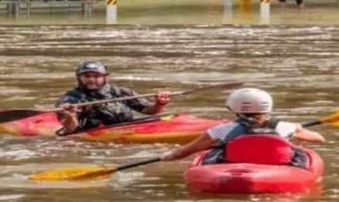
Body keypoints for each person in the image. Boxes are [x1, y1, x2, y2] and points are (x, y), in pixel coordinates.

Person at [161, 88, 324, 165]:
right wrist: (295, 129)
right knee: (296, 151)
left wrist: (168, 156)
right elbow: (319, 140)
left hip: (234, 166)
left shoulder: (220, 131)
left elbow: (185, 151)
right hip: (277, 164)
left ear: (234, 107)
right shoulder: (286, 126)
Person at [56, 61, 172, 135]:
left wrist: (159, 104)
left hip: (126, 127)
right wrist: (70, 116)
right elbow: (70, 129)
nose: (91, 79)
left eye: (96, 76)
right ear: (79, 78)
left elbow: (149, 111)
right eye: (86, 76)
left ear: (106, 78)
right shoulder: (70, 99)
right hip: (93, 132)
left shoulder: (119, 91)